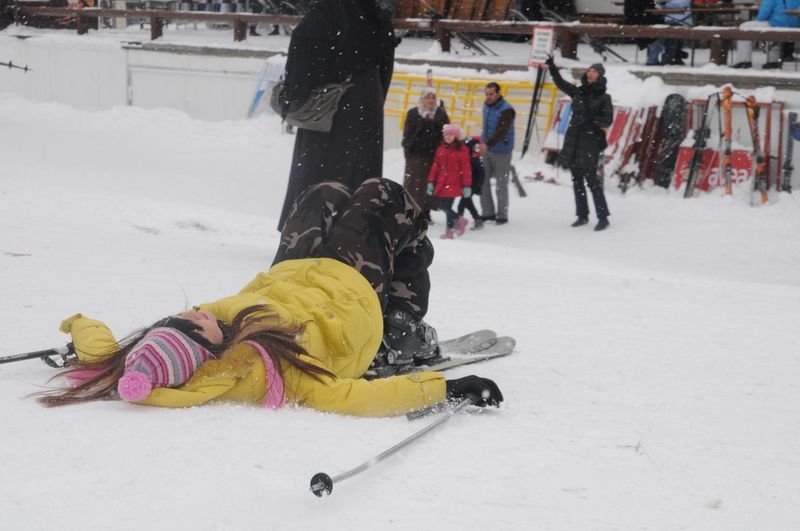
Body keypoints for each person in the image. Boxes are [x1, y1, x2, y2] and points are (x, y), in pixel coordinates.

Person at [36, 179, 503, 417]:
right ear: (210, 348)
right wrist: (445, 391)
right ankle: (403, 318)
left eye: (181, 314)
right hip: (350, 296)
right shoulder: (267, 370)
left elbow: (102, 350)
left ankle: (404, 250)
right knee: (380, 197)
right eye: (194, 320)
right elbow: (354, 400)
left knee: (323, 194)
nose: (197, 310)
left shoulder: (160, 354)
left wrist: (76, 328)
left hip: (293, 275)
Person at [274, 0, 399, 230]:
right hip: (366, 103)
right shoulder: (375, 17)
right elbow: (385, 64)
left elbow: (302, 49)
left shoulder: (326, 13)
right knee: (358, 175)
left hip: (330, 107)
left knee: (317, 171)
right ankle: (352, 232)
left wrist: (296, 94)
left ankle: (307, 228)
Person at [545, 56, 613, 231]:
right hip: (574, 139)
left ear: (600, 76)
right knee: (576, 181)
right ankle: (582, 215)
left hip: (590, 141)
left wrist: (590, 121)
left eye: (595, 71)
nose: (590, 73)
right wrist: (552, 68)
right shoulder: (578, 92)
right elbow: (560, 83)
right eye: (590, 70)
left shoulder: (604, 97)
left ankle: (603, 217)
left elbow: (607, 119)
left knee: (592, 181)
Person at [402, 87, 450, 223]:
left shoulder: (440, 114)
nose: (430, 100)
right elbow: (408, 133)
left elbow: (445, 134)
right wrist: (408, 150)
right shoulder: (413, 113)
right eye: (427, 97)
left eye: (432, 98)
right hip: (416, 154)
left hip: (434, 155)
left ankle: (427, 211)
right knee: (414, 184)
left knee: (430, 184)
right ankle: (413, 212)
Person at [426, 124, 472, 239]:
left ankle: (459, 221)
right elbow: (436, 166)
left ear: (456, 136)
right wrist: (431, 181)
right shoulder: (441, 148)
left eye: (451, 134)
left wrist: (467, 185)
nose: (448, 137)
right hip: (443, 182)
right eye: (446, 134)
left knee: (446, 207)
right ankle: (450, 231)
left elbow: (466, 169)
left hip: (454, 183)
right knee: (445, 206)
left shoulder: (462, 150)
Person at [479, 82, 516, 225]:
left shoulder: (507, 110)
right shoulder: (486, 107)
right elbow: (486, 127)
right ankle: (488, 212)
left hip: (502, 151)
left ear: (499, 94)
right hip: (487, 150)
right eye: (487, 94)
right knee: (483, 181)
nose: (489, 97)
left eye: (491, 94)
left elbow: (502, 131)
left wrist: (487, 144)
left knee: (501, 183)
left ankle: (502, 214)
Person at [731, 0, 800, 69]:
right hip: (793, 25)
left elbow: (763, 14)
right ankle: (773, 60)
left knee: (744, 27)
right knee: (772, 33)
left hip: (775, 23)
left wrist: (758, 20)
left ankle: (744, 61)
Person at [646, 0, 693, 66]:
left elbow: (681, 4)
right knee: (659, 33)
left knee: (665, 34)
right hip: (668, 20)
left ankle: (660, 58)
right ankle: (658, 58)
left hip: (681, 20)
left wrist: (664, 5)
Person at [457, 136, 486, 232]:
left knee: (462, 204)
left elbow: (481, 175)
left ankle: (458, 222)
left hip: (472, 186)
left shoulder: (476, 161)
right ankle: (477, 219)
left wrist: (478, 186)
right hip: (468, 186)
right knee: (468, 203)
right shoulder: (470, 159)